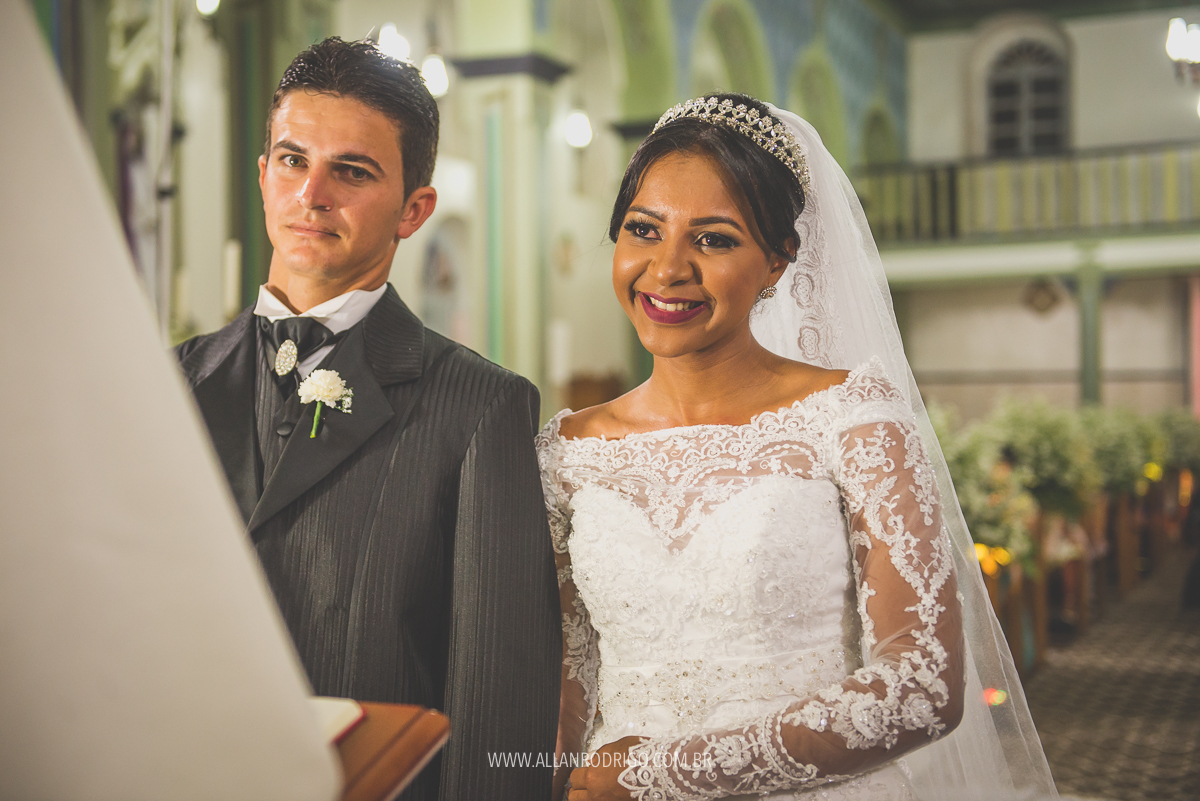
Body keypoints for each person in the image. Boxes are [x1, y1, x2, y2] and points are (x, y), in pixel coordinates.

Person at [537, 94, 1058, 801]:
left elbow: (924, 681)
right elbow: (572, 674)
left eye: (714, 239)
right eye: (643, 229)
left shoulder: (852, 417)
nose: (667, 268)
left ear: (779, 261)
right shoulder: (568, 451)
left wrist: (666, 773)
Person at [175, 38, 559, 801]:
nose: (311, 193)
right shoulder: (168, 381)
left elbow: (498, 703)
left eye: (351, 171)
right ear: (262, 176)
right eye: (292, 160)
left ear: (414, 209)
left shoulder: (482, 408)